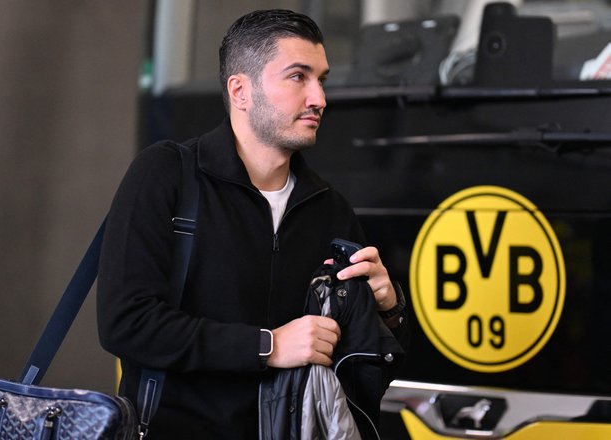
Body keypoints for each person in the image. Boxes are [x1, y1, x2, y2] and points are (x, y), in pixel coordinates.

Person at [97, 9, 408, 439]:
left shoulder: (330, 209)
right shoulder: (168, 174)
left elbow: (361, 372)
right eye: (299, 76)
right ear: (240, 90)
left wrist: (388, 311)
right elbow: (126, 323)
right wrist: (268, 346)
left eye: (322, 79)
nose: (319, 98)